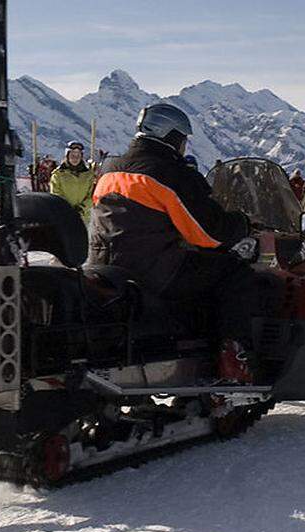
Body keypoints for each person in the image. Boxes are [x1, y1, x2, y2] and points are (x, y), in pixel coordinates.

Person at [90, 102, 260, 384]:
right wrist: (241, 224)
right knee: (234, 271)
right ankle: (235, 360)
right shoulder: (169, 173)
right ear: (172, 137)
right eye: (183, 140)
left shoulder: (110, 169)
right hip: (152, 272)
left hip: (105, 268)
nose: (184, 147)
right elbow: (209, 234)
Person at [49, 141, 96, 223]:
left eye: (78, 155)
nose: (75, 158)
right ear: (67, 155)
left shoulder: (88, 175)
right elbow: (56, 195)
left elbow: (92, 195)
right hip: (64, 217)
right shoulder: (58, 174)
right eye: (72, 155)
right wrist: (68, 209)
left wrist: (82, 209)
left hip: (84, 218)